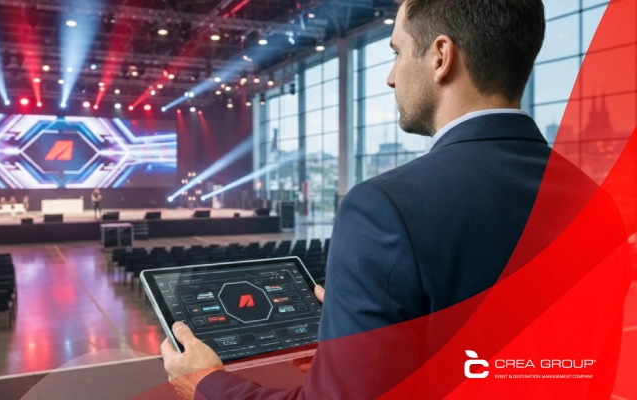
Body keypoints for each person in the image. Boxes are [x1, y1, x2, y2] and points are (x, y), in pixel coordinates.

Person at [160, 1, 629, 399]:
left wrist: (206, 383)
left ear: (441, 56)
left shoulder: (383, 208)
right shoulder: (599, 207)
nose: (389, 77)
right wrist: (365, 336)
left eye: (397, 52)